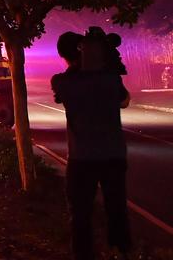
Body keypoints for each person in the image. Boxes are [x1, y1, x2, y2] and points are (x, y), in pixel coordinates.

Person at [51, 28, 132, 259]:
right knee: (116, 210)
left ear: (64, 56)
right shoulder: (109, 78)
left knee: (80, 214)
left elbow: (62, 92)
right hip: (113, 155)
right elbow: (124, 101)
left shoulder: (62, 81)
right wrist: (106, 67)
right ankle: (122, 252)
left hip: (81, 158)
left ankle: (83, 255)